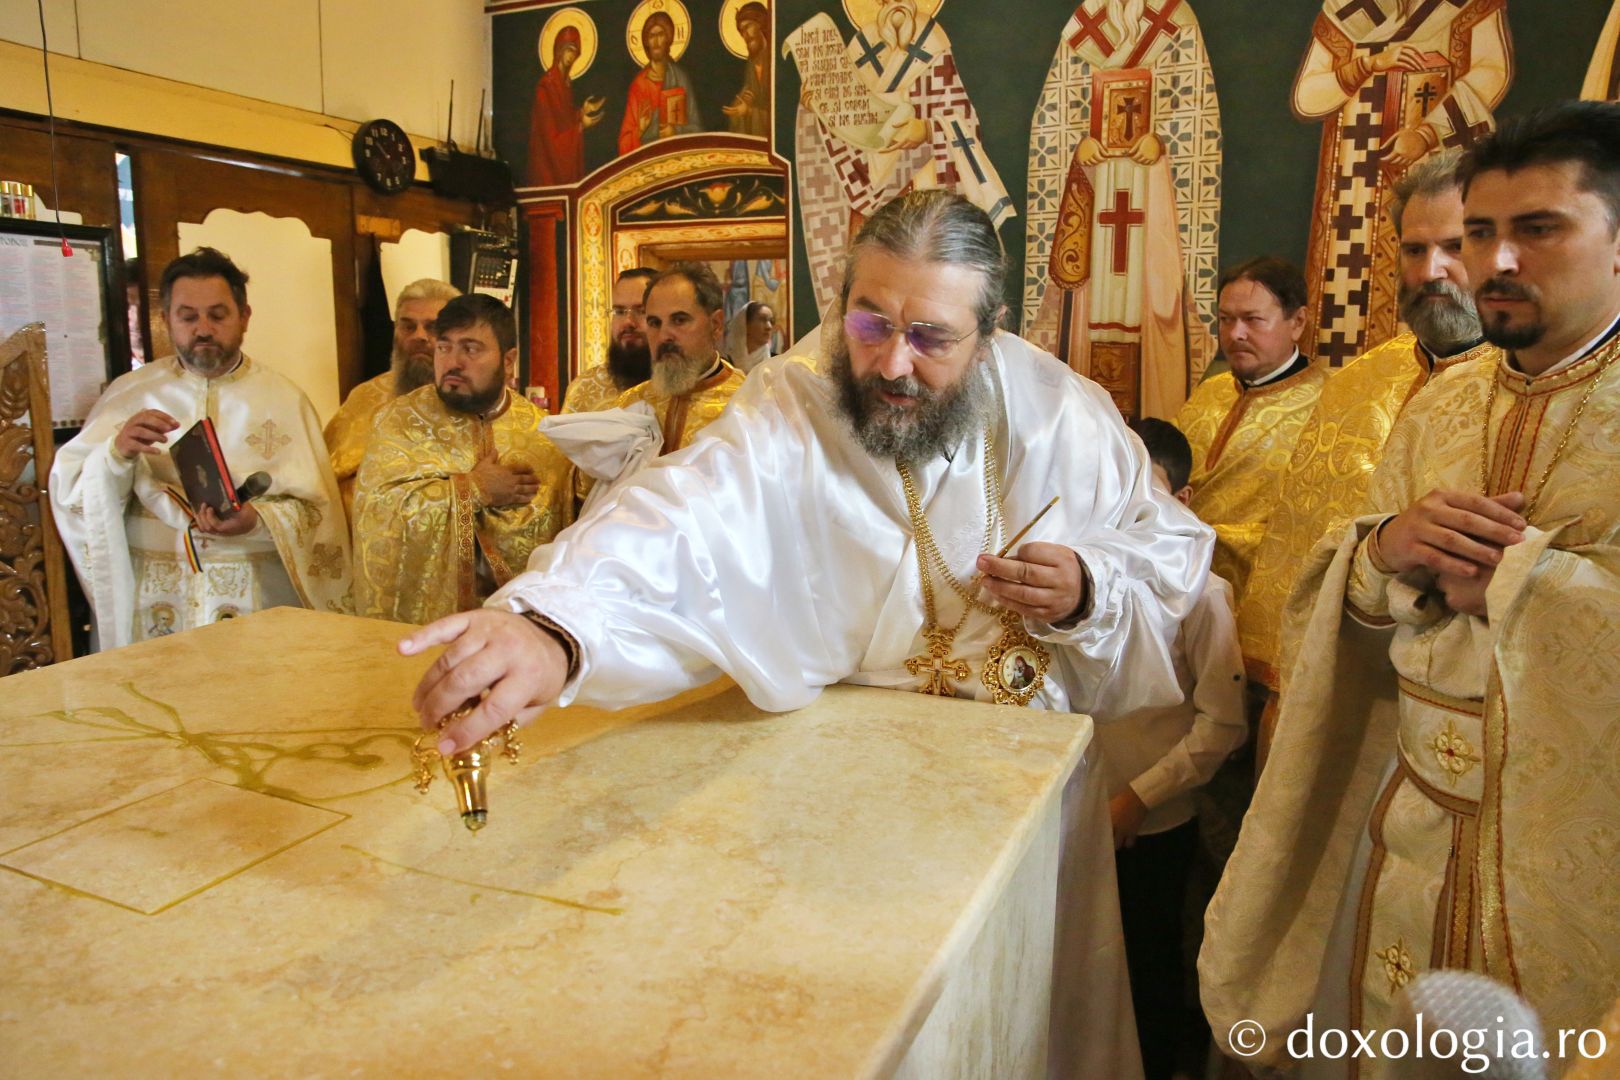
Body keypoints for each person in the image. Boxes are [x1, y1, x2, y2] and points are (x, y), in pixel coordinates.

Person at [1201, 101, 1620, 1075]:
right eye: (1483, 232)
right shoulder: (1443, 403)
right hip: (1411, 823)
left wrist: (1519, 583)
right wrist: (1384, 550)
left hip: (1575, 858)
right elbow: (1344, 596)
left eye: (1540, 229)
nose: (1494, 261)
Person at [1238, 150, 1496, 765]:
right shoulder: (1356, 383)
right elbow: (1296, 541)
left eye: (1455, 247)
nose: (1431, 270)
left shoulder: (1525, 384)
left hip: (1460, 711)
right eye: (1413, 250)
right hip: (1329, 686)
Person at [50, 247, 352, 649]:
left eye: (218, 314)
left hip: (255, 599)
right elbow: (72, 492)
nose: (203, 329)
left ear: (244, 317)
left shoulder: (285, 401)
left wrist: (256, 521)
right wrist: (115, 455)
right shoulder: (129, 394)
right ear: (166, 320)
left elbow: (320, 516)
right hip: (157, 599)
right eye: (188, 316)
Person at [1098, 417, 1246, 1080]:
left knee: (1147, 966)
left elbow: (1220, 724)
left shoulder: (1205, 597)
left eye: (1145, 493)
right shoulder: (1083, 580)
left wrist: (1138, 798)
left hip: (1150, 823)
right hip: (1078, 814)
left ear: (1181, 504)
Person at [1025, 0, 1223, 420]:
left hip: (1153, 195)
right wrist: (1078, 146)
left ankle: (1154, 416)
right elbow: (1054, 114)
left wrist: (1164, 138)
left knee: (1153, 299)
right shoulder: (1084, 26)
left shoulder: (1177, 22)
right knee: (1090, 308)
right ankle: (1080, 421)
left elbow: (1197, 108)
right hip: (1096, 194)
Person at [1292, 0, 1510, 367]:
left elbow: (1489, 73)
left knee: (1436, 284)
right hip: (1353, 177)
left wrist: (1427, 132)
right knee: (1345, 303)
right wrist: (1366, 65)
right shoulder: (1345, 8)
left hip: (1438, 167)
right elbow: (1308, 97)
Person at [352, 294, 573, 624]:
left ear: (508, 360)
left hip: (512, 630)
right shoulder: (399, 420)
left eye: (470, 349)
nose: (453, 362)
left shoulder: (544, 436)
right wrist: (474, 490)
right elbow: (377, 516)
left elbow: (562, 539)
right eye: (445, 347)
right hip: (422, 627)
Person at [1174, 257, 1327, 606]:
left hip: (1263, 596)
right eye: (1225, 320)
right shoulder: (1209, 393)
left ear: (1297, 322)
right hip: (1180, 586)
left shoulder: (1330, 405)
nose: (1235, 334)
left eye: (1252, 320)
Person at [324, 278, 461, 520]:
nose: (419, 336)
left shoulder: (478, 400)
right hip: (376, 544)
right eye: (408, 326)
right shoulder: (365, 398)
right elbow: (327, 482)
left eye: (432, 327)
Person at [560, 268, 654, 414]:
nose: (628, 322)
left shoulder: (688, 389)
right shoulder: (583, 389)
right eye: (619, 312)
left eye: (641, 311)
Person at [527, 24, 605, 186]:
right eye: (569, 49)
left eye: (575, 51)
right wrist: (580, 127)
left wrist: (582, 111)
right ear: (559, 49)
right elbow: (550, 136)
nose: (572, 55)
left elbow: (563, 117)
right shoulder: (546, 86)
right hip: (547, 169)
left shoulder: (565, 85)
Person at [618, 11, 703, 156]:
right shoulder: (639, 85)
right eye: (652, 36)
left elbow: (697, 130)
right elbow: (623, 143)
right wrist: (640, 129)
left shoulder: (680, 78)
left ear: (668, 39)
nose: (656, 42)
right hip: (648, 159)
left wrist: (675, 132)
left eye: (661, 34)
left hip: (677, 156)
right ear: (646, 42)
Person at [721, 1, 771, 137]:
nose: (745, 35)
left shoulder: (776, 58)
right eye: (742, 31)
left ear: (761, 24)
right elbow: (748, 93)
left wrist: (749, 112)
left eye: (748, 27)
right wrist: (739, 107)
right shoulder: (752, 63)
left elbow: (783, 114)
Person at [724, 300, 775, 373]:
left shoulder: (775, 364)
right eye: (762, 319)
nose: (769, 327)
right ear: (745, 324)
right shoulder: (726, 362)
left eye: (771, 321)